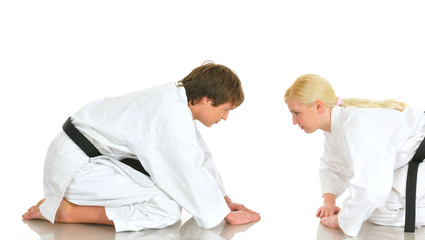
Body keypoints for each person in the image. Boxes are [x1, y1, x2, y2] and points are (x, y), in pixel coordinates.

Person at [22, 61, 260, 232]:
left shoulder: (173, 103)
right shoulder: (170, 115)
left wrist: (223, 199)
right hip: (78, 171)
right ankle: (68, 211)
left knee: (168, 192)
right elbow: (188, 169)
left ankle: (62, 201)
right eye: (225, 109)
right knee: (167, 207)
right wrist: (222, 213)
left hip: (76, 162)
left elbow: (198, 157)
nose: (225, 117)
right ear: (208, 100)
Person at [284, 74, 425, 237]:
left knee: (376, 210)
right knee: (367, 207)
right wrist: (330, 200)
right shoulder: (338, 125)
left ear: (318, 106)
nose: (294, 121)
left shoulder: (355, 126)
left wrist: (343, 221)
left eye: (296, 113)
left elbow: (372, 189)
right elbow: (333, 163)